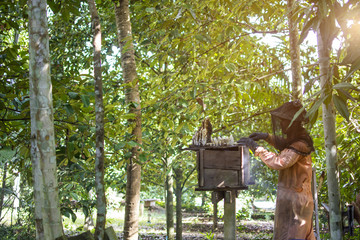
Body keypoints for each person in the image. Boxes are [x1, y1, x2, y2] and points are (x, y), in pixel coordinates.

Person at [238, 100, 315, 240]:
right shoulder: (296, 140)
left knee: (295, 236)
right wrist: (267, 137)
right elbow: (284, 144)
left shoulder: (300, 144)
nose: (281, 124)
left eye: (284, 121)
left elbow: (280, 162)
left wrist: (257, 148)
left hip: (298, 202)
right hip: (291, 198)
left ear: (293, 123)